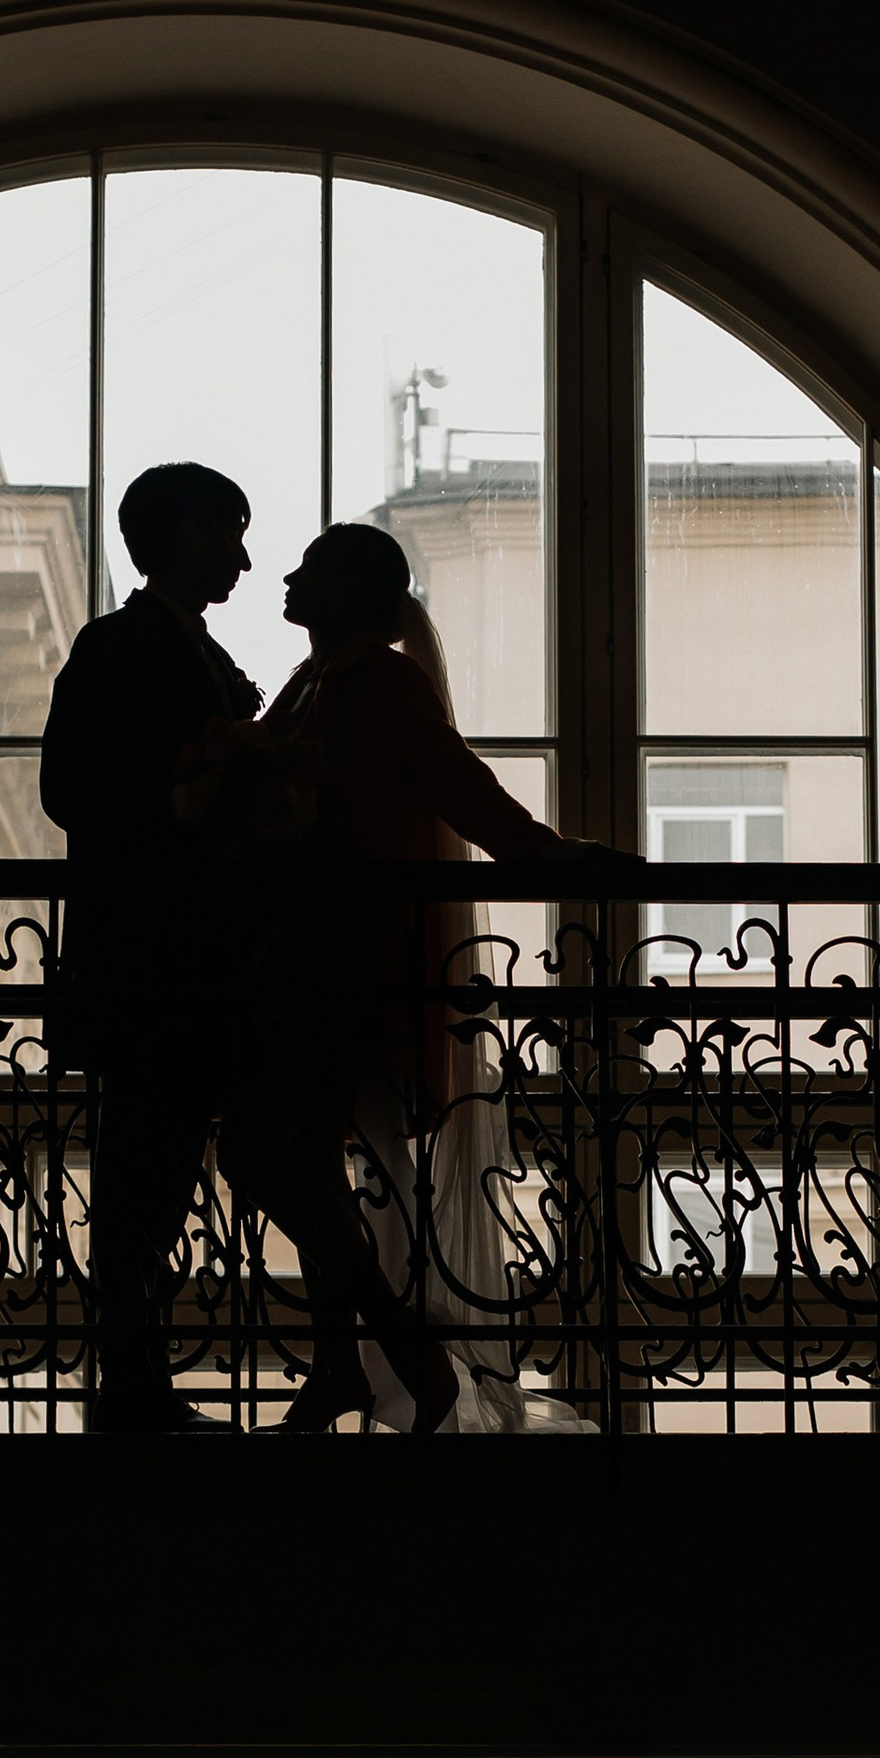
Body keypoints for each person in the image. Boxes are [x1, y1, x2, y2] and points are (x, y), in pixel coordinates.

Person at [213, 521, 584, 1436]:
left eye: (313, 567)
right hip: (301, 960)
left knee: (268, 1155)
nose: (288, 576)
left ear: (348, 592)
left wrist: (555, 856)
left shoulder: (381, 684)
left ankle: (394, 1355)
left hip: (345, 964)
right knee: (297, 1162)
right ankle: (355, 1362)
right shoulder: (314, 685)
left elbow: (460, 789)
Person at [38, 461, 260, 1438]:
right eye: (228, 534)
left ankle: (132, 1373)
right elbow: (68, 788)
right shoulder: (124, 646)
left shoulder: (158, 645)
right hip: (152, 960)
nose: (244, 558)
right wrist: (180, 805)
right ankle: (130, 1377)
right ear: (182, 534)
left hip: (172, 959)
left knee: (156, 1169)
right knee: (144, 1172)